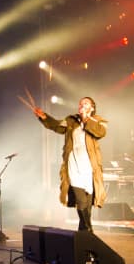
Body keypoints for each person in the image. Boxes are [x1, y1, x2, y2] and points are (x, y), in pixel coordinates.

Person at [31, 96, 108, 232]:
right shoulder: (71, 120)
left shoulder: (98, 120)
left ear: (92, 108)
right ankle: (88, 229)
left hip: (89, 165)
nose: (82, 105)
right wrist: (44, 117)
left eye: (85, 103)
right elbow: (57, 126)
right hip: (73, 163)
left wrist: (86, 118)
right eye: (80, 103)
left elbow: (101, 132)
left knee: (88, 201)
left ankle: (84, 230)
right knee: (80, 199)